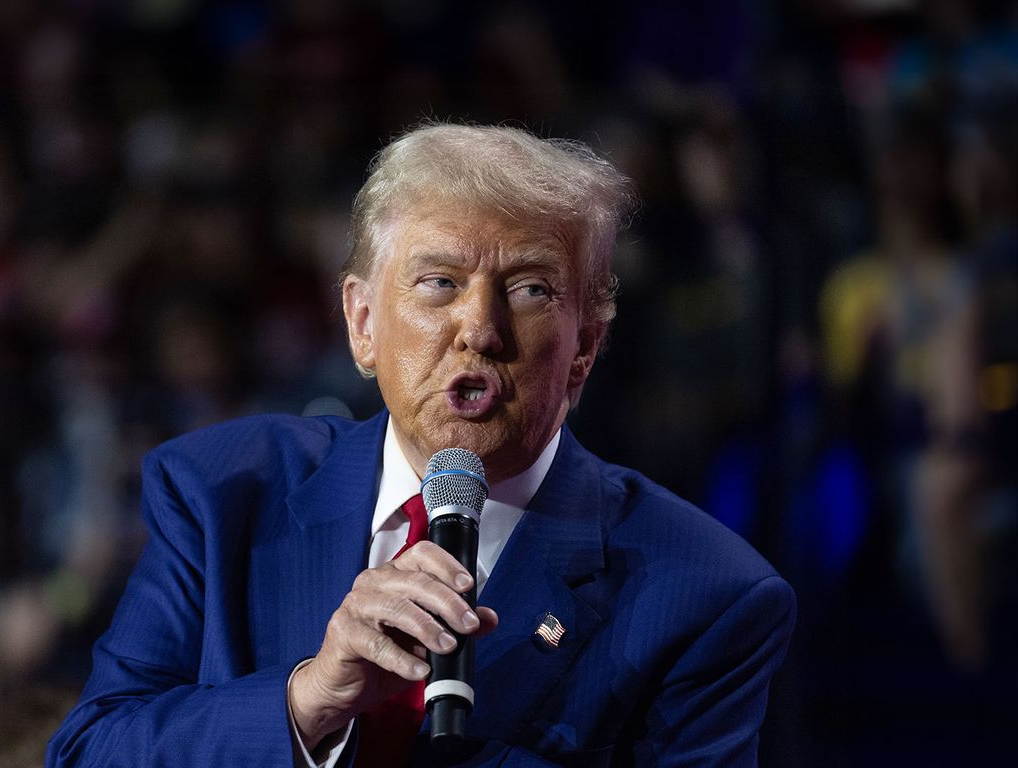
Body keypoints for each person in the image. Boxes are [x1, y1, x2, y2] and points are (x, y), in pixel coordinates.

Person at [47, 123, 796, 767]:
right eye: (439, 281)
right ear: (363, 323)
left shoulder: (706, 595)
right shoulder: (220, 493)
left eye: (531, 288)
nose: (480, 328)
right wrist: (306, 702)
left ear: (584, 350)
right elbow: (90, 752)